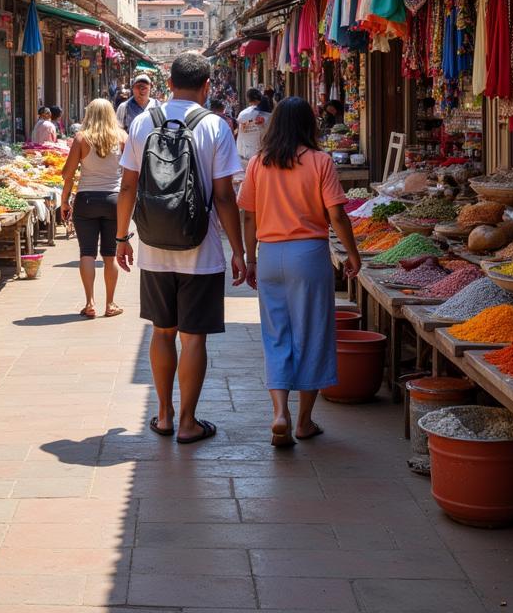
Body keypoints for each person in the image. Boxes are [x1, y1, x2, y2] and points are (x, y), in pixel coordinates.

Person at [116, 51, 245, 445]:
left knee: (161, 331)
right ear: (207, 87)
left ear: (167, 84)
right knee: (194, 338)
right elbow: (224, 196)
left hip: (154, 247)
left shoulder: (141, 123)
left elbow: (127, 186)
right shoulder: (215, 126)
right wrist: (239, 250)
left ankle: (164, 414)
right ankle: (189, 422)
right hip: (200, 250)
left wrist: (122, 238)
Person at [236, 97, 362, 448]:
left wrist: (250, 258)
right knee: (312, 335)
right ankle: (304, 422)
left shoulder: (259, 163)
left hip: (271, 253)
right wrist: (352, 254)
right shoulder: (320, 162)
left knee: (276, 335)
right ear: (310, 125)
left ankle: (279, 413)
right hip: (308, 255)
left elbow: (248, 214)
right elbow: (337, 215)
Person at [60, 99, 125, 318]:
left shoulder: (81, 138)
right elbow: (131, 173)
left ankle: (90, 303)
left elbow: (67, 174)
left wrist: (64, 201)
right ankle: (111, 304)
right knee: (110, 255)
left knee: (87, 253)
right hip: (115, 201)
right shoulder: (122, 137)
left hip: (86, 200)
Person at [236, 87, 272, 164]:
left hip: (247, 154)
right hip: (264, 153)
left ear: (248, 99)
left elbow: (240, 134)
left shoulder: (243, 114)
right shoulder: (269, 115)